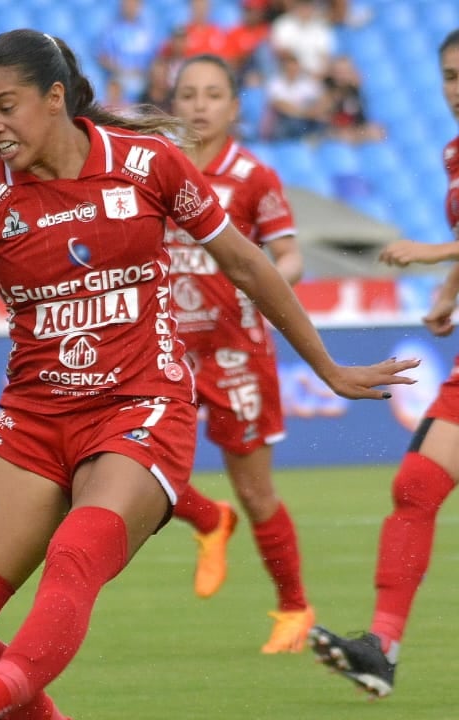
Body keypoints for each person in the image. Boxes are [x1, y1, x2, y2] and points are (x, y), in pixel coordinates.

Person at [0, 29, 415, 720]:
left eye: (7, 106)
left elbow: (248, 262)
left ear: (54, 98)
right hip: (34, 421)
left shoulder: (148, 164)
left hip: (142, 407)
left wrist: (325, 365)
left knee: (75, 556)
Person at [309, 28, 459, 700]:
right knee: (416, 487)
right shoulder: (454, 153)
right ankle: (381, 649)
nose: (457, 89)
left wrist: (430, 253)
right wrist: (449, 294)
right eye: (450, 76)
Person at [164, 53, 314, 653]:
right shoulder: (157, 168)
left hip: (235, 351)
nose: (200, 105)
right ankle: (207, 519)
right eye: (189, 94)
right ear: (173, 105)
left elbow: (290, 255)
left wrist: (275, 278)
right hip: (165, 350)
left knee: (255, 492)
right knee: (134, 469)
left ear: (235, 107)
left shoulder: (253, 177)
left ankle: (294, 608)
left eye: (213, 94)